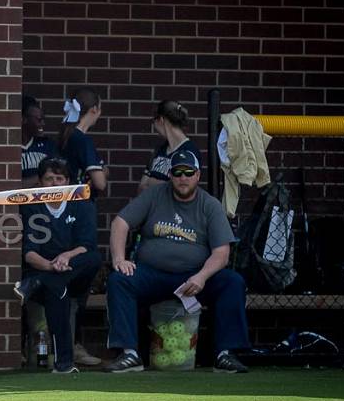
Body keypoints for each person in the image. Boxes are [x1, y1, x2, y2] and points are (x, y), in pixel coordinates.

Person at [103, 150, 250, 373]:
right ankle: (129, 354)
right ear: (170, 175)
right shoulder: (154, 195)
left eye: (188, 172)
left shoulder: (209, 205)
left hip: (194, 278)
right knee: (119, 280)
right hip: (154, 274)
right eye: (178, 172)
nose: (183, 178)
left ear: (197, 175)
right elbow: (120, 222)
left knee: (232, 282)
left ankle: (225, 354)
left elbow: (222, 252)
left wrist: (201, 277)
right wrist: (119, 259)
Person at [14, 158, 102, 373]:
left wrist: (66, 257)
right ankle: (63, 365)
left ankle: (35, 283)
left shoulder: (82, 204)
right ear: (40, 183)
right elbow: (29, 253)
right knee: (57, 289)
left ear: (69, 181)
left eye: (59, 179)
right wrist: (51, 267)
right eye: (49, 179)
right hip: (46, 270)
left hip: (75, 272)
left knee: (94, 258)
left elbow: (86, 245)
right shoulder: (32, 208)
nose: (54, 184)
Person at [138, 100, 201, 195]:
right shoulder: (159, 150)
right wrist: (166, 184)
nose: (154, 126)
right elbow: (141, 188)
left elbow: (183, 190)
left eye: (153, 121)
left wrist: (152, 181)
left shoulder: (189, 152)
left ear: (161, 120)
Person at [59, 87, 107, 197]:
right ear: (94, 109)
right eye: (100, 108)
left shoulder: (66, 135)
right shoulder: (83, 140)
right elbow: (100, 183)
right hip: (81, 202)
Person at [20, 95, 59, 189]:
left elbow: (57, 177)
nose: (43, 124)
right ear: (23, 119)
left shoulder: (49, 145)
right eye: (39, 120)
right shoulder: (8, 148)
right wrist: (41, 178)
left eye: (43, 119)